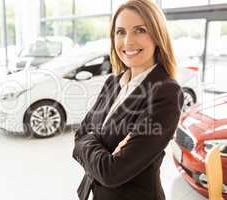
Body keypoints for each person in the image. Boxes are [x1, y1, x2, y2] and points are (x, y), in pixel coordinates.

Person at [72, 0, 184, 200]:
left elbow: (112, 173)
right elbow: (80, 133)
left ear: (158, 36)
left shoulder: (166, 93)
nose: (128, 41)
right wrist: (91, 143)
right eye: (121, 32)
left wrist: (87, 140)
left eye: (140, 30)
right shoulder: (113, 82)